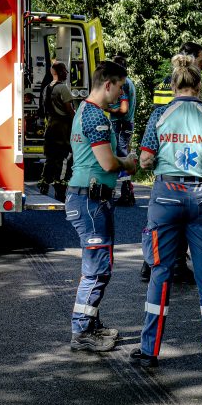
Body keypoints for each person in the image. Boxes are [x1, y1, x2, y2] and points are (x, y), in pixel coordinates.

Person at [130, 55, 202, 368]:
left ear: (174, 85)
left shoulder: (160, 115)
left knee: (161, 273)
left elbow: (143, 161)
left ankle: (150, 350)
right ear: (197, 86)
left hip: (166, 197)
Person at [66, 60, 138, 352]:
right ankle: (82, 331)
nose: (122, 94)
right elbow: (107, 162)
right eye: (120, 87)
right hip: (91, 200)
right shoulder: (96, 117)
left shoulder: (84, 110)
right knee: (98, 270)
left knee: (96, 267)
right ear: (108, 84)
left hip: (88, 197)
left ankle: (91, 324)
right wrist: (128, 163)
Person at [141, 41, 202, 284]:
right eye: (201, 60)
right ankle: (174, 263)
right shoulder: (195, 92)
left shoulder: (166, 85)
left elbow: (156, 125)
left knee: (161, 221)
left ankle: (154, 265)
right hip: (181, 158)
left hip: (166, 160)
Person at [38, 62, 74, 202]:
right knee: (64, 158)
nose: (67, 73)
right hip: (62, 129)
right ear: (60, 72)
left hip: (50, 128)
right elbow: (69, 110)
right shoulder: (63, 88)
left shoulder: (46, 88)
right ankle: (60, 188)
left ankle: (44, 184)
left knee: (50, 158)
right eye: (65, 70)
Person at [109, 54, 137, 206]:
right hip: (126, 123)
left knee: (120, 155)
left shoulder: (123, 83)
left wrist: (107, 108)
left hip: (121, 123)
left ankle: (126, 192)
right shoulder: (129, 82)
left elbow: (123, 109)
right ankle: (127, 191)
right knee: (122, 154)